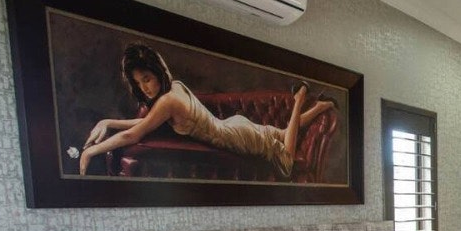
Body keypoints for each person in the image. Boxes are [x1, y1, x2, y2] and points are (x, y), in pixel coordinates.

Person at [79, 43, 336, 178]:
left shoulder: (167, 101)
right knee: (281, 133)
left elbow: (134, 134)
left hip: (234, 135)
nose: (143, 87)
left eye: (146, 78)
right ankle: (321, 106)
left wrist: (91, 151)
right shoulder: (175, 88)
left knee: (286, 162)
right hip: (234, 127)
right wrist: (108, 121)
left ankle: (300, 98)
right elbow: (144, 125)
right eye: (138, 83)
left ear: (157, 72)